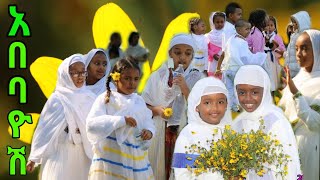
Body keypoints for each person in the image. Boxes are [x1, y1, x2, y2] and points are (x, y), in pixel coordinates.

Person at [142, 34, 203, 180]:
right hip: (159, 131)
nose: (182, 57)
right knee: (157, 169)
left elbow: (200, 107)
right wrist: (157, 110)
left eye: (187, 53)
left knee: (181, 171)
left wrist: (184, 86)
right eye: (177, 52)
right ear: (170, 53)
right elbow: (143, 103)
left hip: (185, 130)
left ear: (193, 56)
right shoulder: (158, 75)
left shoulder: (197, 77)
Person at [26, 54, 96, 180]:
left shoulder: (90, 98)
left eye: (83, 72)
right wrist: (34, 158)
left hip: (84, 152)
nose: (80, 77)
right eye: (75, 73)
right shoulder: (57, 98)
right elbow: (44, 129)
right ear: (66, 74)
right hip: (60, 152)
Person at [86, 58, 155, 180]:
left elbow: (148, 121)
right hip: (112, 159)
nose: (132, 83)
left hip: (136, 160)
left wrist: (149, 131)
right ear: (116, 78)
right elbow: (92, 124)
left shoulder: (139, 101)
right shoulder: (106, 99)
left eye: (135, 79)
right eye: (127, 78)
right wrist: (121, 120)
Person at [232, 65, 301, 180]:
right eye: (242, 93)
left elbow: (288, 165)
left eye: (254, 92)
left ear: (264, 91)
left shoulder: (276, 121)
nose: (248, 98)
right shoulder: (238, 122)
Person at [279, 30, 320, 180]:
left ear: (317, 50)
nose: (298, 53)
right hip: (291, 149)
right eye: (296, 48)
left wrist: (295, 93)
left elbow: (314, 122)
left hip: (312, 150)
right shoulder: (297, 79)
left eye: (304, 48)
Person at [172, 77, 232, 180]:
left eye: (220, 102)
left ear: (227, 104)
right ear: (196, 106)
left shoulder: (231, 132)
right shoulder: (188, 135)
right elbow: (182, 175)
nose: (215, 108)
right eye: (207, 103)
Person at [216, 19, 267, 112]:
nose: (249, 31)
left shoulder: (230, 40)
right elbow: (247, 58)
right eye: (246, 29)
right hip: (236, 70)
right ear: (239, 30)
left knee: (229, 89)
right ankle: (241, 106)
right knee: (239, 90)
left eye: (249, 29)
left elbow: (223, 54)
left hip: (227, 69)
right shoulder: (242, 42)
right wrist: (260, 56)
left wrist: (218, 68)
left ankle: (232, 107)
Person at [283, 11, 311, 78]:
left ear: (302, 24)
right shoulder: (294, 35)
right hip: (290, 68)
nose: (293, 25)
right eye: (292, 23)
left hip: (297, 69)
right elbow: (291, 52)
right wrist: (284, 54)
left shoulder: (302, 37)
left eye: (295, 23)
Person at [263, 16, 286, 91]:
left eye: (271, 25)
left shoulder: (277, 37)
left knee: (274, 77)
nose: (269, 27)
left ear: (275, 27)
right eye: (267, 25)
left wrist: (276, 47)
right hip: (264, 58)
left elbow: (282, 49)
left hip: (273, 60)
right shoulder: (262, 36)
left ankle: (275, 93)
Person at [206, 12, 226, 76]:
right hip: (212, 62)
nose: (220, 24)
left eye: (222, 22)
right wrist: (213, 54)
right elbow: (206, 48)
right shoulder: (208, 36)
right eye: (217, 22)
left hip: (224, 60)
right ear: (213, 22)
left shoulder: (227, 34)